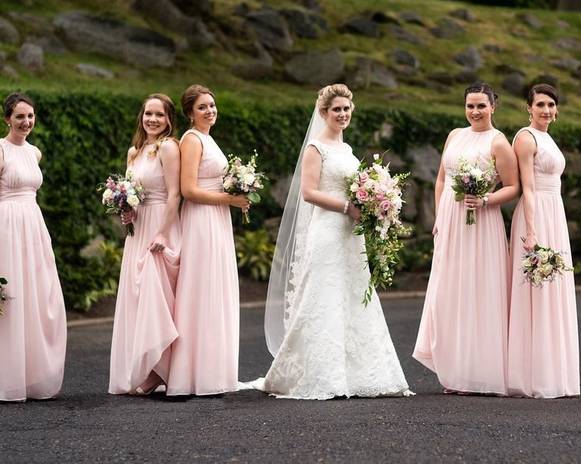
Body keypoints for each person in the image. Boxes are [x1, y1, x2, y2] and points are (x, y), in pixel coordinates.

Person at [262, 84, 411, 399]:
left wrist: (374, 203)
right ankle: (320, 374)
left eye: (346, 109)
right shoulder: (316, 148)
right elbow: (309, 193)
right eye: (336, 110)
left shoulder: (346, 149)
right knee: (324, 296)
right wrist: (347, 207)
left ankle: (358, 372)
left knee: (352, 294)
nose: (342, 114)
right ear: (324, 113)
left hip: (349, 232)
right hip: (328, 230)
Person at [413, 82, 519, 394]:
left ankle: (479, 372)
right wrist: (437, 219)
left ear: (493, 107)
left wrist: (486, 200)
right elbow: (442, 179)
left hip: (481, 225)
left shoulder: (499, 143)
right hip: (450, 223)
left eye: (481, 106)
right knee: (450, 291)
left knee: (477, 292)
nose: (475, 112)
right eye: (470, 106)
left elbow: (513, 187)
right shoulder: (454, 135)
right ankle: (454, 369)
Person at [0, 92, 67, 402]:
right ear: (7, 119)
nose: (26, 122)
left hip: (33, 227)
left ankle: (31, 376)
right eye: (20, 117)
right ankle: (4, 381)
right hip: (6, 229)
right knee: (11, 300)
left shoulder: (35, 153)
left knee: (38, 296)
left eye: (30, 116)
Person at [166, 85, 247, 396]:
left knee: (217, 289)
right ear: (190, 113)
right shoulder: (192, 139)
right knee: (201, 289)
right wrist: (229, 198)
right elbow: (188, 189)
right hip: (201, 220)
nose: (210, 111)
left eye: (212, 105)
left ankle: (214, 371)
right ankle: (191, 374)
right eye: (202, 107)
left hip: (217, 219)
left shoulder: (209, 138)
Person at [507, 84, 580, 398]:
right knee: (535, 291)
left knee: (554, 289)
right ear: (529, 107)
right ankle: (532, 374)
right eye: (540, 104)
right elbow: (529, 187)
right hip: (536, 214)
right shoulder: (526, 137)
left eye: (551, 104)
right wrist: (532, 230)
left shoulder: (549, 137)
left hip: (555, 212)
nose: (546, 110)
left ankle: (554, 371)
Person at [109, 94, 182, 395]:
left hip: (162, 225)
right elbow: (133, 192)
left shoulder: (168, 148)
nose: (153, 120)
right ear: (141, 117)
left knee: (160, 297)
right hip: (139, 230)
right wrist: (126, 209)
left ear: (168, 120)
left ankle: (160, 369)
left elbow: (175, 194)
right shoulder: (134, 152)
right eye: (148, 114)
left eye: (159, 115)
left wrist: (163, 233)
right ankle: (146, 368)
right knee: (138, 298)